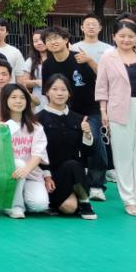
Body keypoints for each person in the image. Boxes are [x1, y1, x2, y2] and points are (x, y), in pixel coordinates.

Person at [97, 22, 136, 217]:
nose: (126, 39)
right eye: (122, 35)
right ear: (114, 37)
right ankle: (129, 200)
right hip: (118, 109)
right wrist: (103, 111)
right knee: (123, 156)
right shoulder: (107, 57)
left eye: (131, 36)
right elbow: (102, 86)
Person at [41, 26, 106, 201]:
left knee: (94, 138)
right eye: (49, 39)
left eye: (57, 38)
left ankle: (96, 184)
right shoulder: (47, 64)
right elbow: (47, 91)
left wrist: (90, 61)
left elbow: (102, 78)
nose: (53, 42)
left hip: (89, 111)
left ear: (66, 40)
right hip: (64, 112)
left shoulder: (80, 58)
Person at [37, 74, 98, 220]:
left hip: (75, 173)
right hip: (50, 176)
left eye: (63, 90)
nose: (59, 93)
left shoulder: (79, 119)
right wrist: (46, 175)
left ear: (69, 93)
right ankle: (62, 200)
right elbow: (38, 152)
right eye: (55, 89)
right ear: (47, 92)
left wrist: (87, 134)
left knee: (72, 165)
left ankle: (84, 201)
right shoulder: (38, 119)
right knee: (69, 208)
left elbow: (88, 153)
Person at [0, 84, 50, 219]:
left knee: (40, 205)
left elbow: (38, 155)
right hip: (7, 175)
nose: (18, 101)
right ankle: (14, 206)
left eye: (22, 98)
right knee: (18, 164)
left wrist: (26, 170)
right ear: (5, 100)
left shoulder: (36, 127)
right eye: (13, 97)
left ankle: (19, 196)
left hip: (30, 173)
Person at [0, 18, 27, 83]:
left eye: (2, 30)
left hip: (10, 88)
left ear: (7, 32)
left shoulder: (15, 52)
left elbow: (20, 77)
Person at [22, 29, 48, 101]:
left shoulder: (56, 58)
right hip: (38, 99)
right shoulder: (30, 61)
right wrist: (37, 82)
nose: (39, 43)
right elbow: (24, 82)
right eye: (35, 41)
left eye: (42, 40)